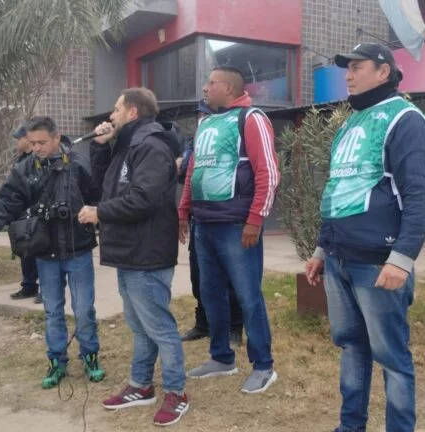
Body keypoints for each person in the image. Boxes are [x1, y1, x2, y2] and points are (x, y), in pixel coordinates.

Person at [305, 43, 425, 432]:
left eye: (357, 67)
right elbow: (338, 190)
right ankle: (350, 426)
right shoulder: (350, 123)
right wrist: (321, 249)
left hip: (378, 262)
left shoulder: (405, 120)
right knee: (351, 348)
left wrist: (402, 258)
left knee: (392, 358)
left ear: (383, 72)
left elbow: (419, 195)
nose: (348, 75)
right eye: (346, 69)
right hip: (339, 259)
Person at [0, 116, 104, 389]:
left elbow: (99, 193)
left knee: (84, 309)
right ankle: (56, 360)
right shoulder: (24, 170)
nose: (36, 148)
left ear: (57, 138)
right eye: (32, 143)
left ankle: (90, 355)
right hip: (45, 253)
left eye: (42, 143)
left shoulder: (77, 163)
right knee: (53, 311)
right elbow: (4, 205)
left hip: (78, 250)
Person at [80, 87, 189, 427]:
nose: (110, 116)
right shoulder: (126, 146)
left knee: (159, 327)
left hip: (148, 251)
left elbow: (143, 199)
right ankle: (141, 386)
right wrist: (101, 147)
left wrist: (100, 213)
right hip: (129, 250)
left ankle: (177, 392)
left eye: (116, 109)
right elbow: (102, 187)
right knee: (139, 326)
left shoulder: (151, 147)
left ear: (132, 113)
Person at [178, 66, 280, 394]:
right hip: (204, 223)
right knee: (210, 294)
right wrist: (183, 211)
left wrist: (255, 219)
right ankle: (222, 357)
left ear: (229, 87)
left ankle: (263, 366)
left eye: (211, 83)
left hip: (236, 225)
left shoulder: (251, 118)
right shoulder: (206, 122)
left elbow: (268, 172)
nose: (205, 88)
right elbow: (193, 170)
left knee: (248, 296)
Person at [180, 99, 244, 347]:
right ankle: (203, 323)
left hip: (225, 218)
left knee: (230, 278)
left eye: (204, 115)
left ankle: (235, 328)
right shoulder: (196, 141)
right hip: (200, 217)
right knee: (199, 277)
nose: (201, 119)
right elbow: (188, 175)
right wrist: (183, 211)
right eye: (198, 116)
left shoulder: (230, 137)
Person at [9, 126, 41, 304]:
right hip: (21, 215)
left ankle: (44, 288)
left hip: (36, 215)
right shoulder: (21, 160)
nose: (16, 142)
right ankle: (29, 285)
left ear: (27, 139)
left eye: (18, 139)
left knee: (39, 251)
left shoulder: (38, 159)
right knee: (25, 252)